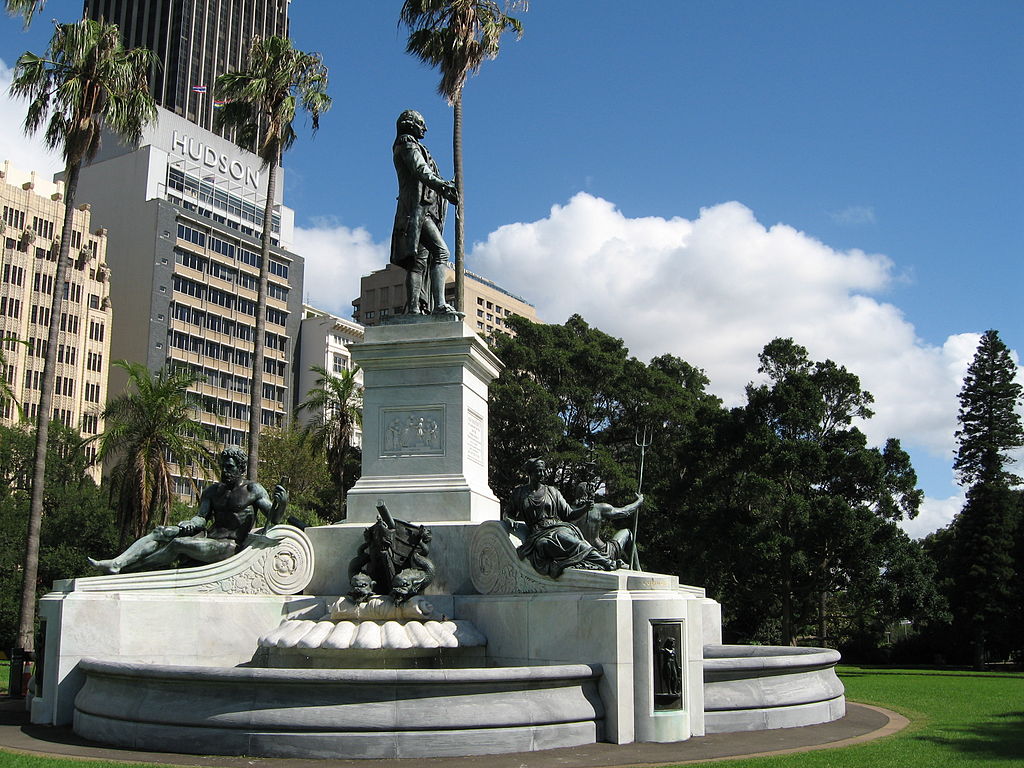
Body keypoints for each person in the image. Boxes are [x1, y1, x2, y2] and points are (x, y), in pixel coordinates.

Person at [88, 446, 288, 574]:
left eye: (229, 467)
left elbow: (274, 518)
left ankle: (128, 570)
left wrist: (283, 503)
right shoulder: (213, 491)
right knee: (161, 532)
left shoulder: (253, 489)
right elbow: (201, 519)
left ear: (240, 468)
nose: (224, 471)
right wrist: (184, 526)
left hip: (228, 547)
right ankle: (118, 562)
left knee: (177, 544)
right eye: (222, 466)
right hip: (209, 540)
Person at [389, 109, 460, 316]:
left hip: (422, 213)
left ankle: (413, 308)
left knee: (418, 264)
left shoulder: (413, 146)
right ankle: (439, 305)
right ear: (409, 124)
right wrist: (444, 187)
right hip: (418, 214)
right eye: (421, 123)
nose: (425, 128)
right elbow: (422, 171)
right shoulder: (407, 145)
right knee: (441, 253)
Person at [506, 458, 618, 578]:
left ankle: (606, 562)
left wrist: (585, 508)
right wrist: (508, 519)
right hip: (537, 534)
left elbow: (569, 514)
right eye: (538, 471)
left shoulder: (552, 491)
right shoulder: (519, 493)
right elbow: (509, 512)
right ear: (530, 473)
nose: (542, 474)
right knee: (543, 544)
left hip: (557, 528)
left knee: (572, 542)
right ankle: (594, 561)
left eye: (543, 471)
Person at [568, 481, 643, 568]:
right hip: (602, 553)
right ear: (590, 494)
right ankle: (638, 570)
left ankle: (626, 566)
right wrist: (639, 501)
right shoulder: (599, 508)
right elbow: (625, 511)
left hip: (580, 554)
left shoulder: (569, 511)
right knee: (628, 533)